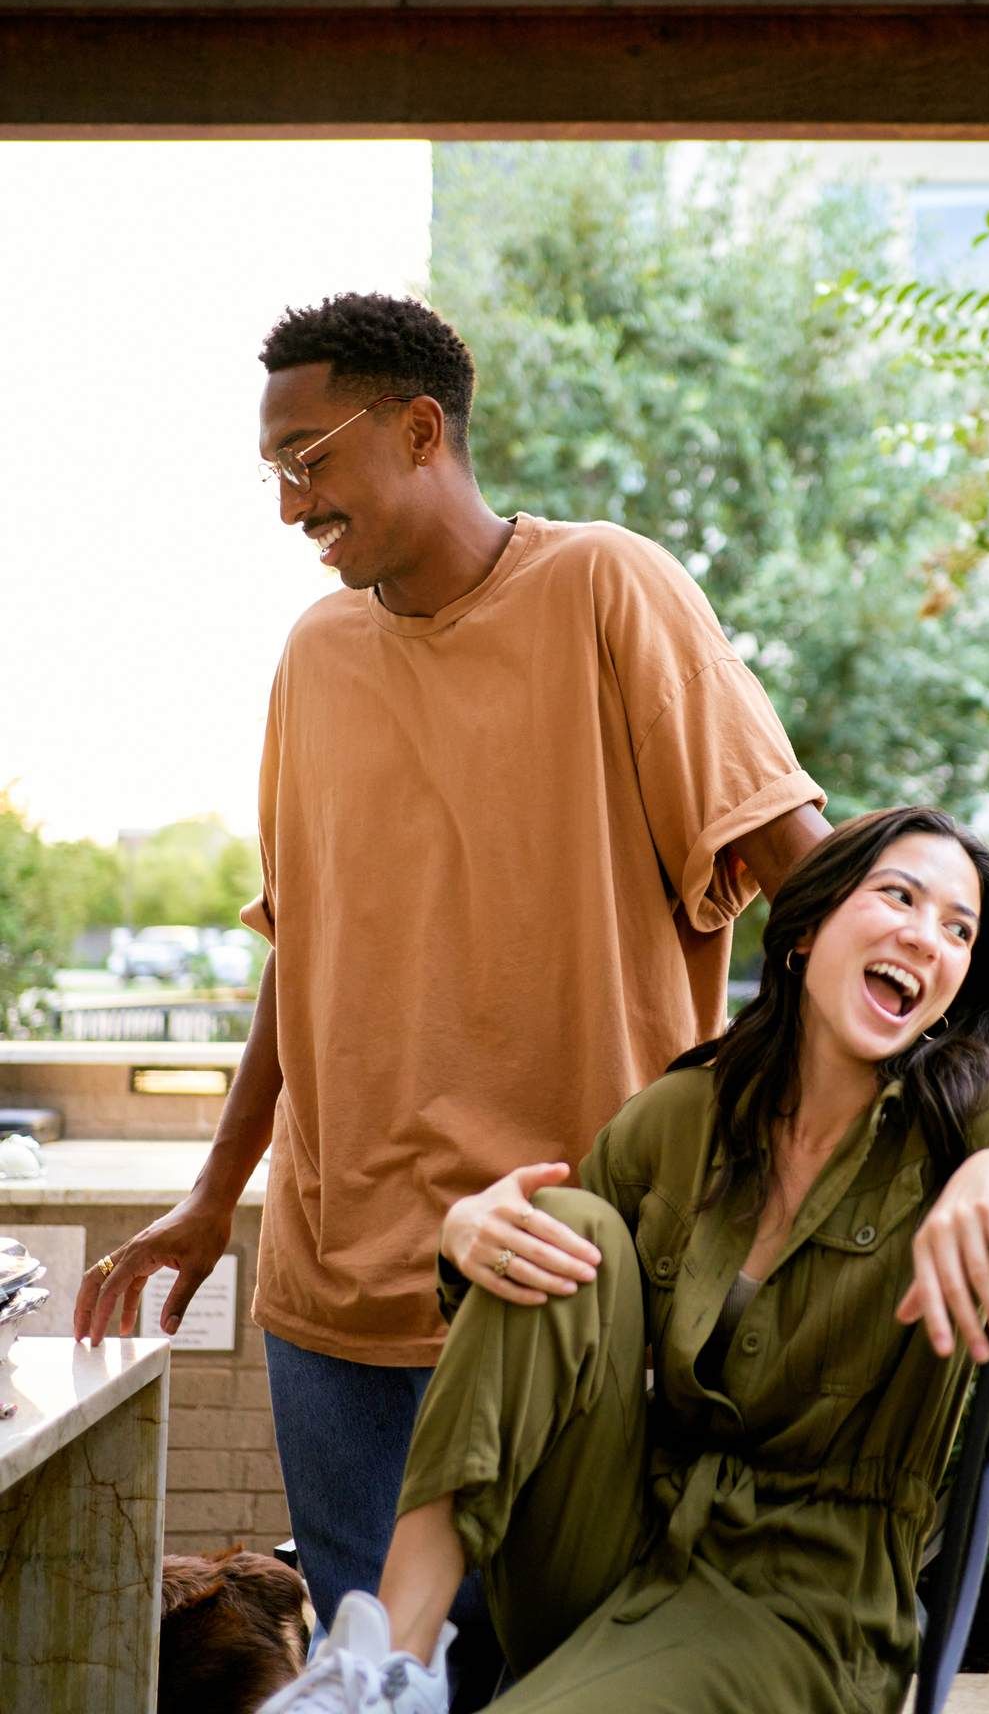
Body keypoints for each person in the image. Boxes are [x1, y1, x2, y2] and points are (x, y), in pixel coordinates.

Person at [73, 292, 828, 1644]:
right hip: (333, 1295)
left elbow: (809, 879)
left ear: (420, 430)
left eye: (308, 460)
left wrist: (844, 1156)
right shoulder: (313, 658)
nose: (289, 505)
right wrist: (211, 1198)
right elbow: (306, 956)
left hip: (565, 1285)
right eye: (274, 473)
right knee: (379, 1674)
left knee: (558, 1672)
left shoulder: (609, 586)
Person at [257, 805, 989, 1714]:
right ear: (811, 924)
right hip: (611, 1543)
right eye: (898, 896)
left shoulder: (977, 1117)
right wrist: (467, 1236)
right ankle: (383, 1665)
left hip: (802, 1598)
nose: (925, 934)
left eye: (958, 928)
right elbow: (538, 1330)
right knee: (562, 1221)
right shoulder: (689, 1112)